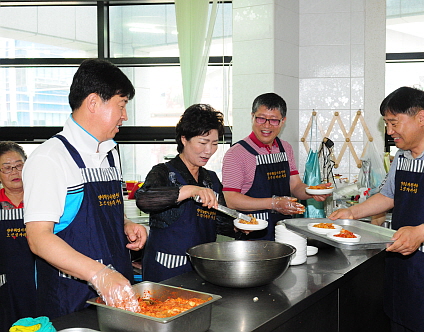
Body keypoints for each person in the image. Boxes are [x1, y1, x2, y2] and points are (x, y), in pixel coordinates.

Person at [328, 86, 424, 332]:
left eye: (394, 123)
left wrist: (421, 233)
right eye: (387, 124)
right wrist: (353, 212)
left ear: (421, 118)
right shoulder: (402, 157)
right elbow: (389, 196)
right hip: (404, 268)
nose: (389, 132)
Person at [23, 59, 147, 319]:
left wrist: (123, 223)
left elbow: (97, 213)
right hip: (70, 300)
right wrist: (99, 274)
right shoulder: (50, 158)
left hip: (116, 291)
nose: (124, 116)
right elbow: (38, 237)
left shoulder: (111, 153)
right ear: (93, 102)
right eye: (121, 105)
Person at [135, 104, 234, 282]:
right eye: (203, 143)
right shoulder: (163, 172)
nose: (209, 150)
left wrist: (240, 227)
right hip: (166, 270)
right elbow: (144, 199)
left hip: (202, 268)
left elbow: (221, 221)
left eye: (214, 143)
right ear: (184, 139)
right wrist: (189, 190)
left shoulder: (210, 179)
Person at [222, 92, 330, 240]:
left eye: (273, 120)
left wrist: (312, 191)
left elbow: (295, 186)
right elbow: (230, 199)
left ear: (282, 121)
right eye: (261, 118)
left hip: (285, 231)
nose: (266, 125)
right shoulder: (237, 153)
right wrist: (273, 203)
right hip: (253, 235)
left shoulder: (285, 148)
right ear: (252, 116)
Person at [0, 142, 36, 331]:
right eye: (7, 168)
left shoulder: (41, 199)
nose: (14, 171)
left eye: (19, 165)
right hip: (7, 285)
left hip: (41, 280)